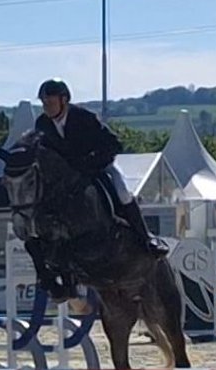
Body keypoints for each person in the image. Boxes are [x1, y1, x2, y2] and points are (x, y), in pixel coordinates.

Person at [32, 76, 167, 252]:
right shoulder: (42, 124)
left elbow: (113, 143)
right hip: (66, 174)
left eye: (49, 101)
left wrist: (91, 162)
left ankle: (145, 237)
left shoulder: (84, 118)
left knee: (122, 191)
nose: (46, 106)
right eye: (44, 102)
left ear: (64, 100)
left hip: (96, 165)